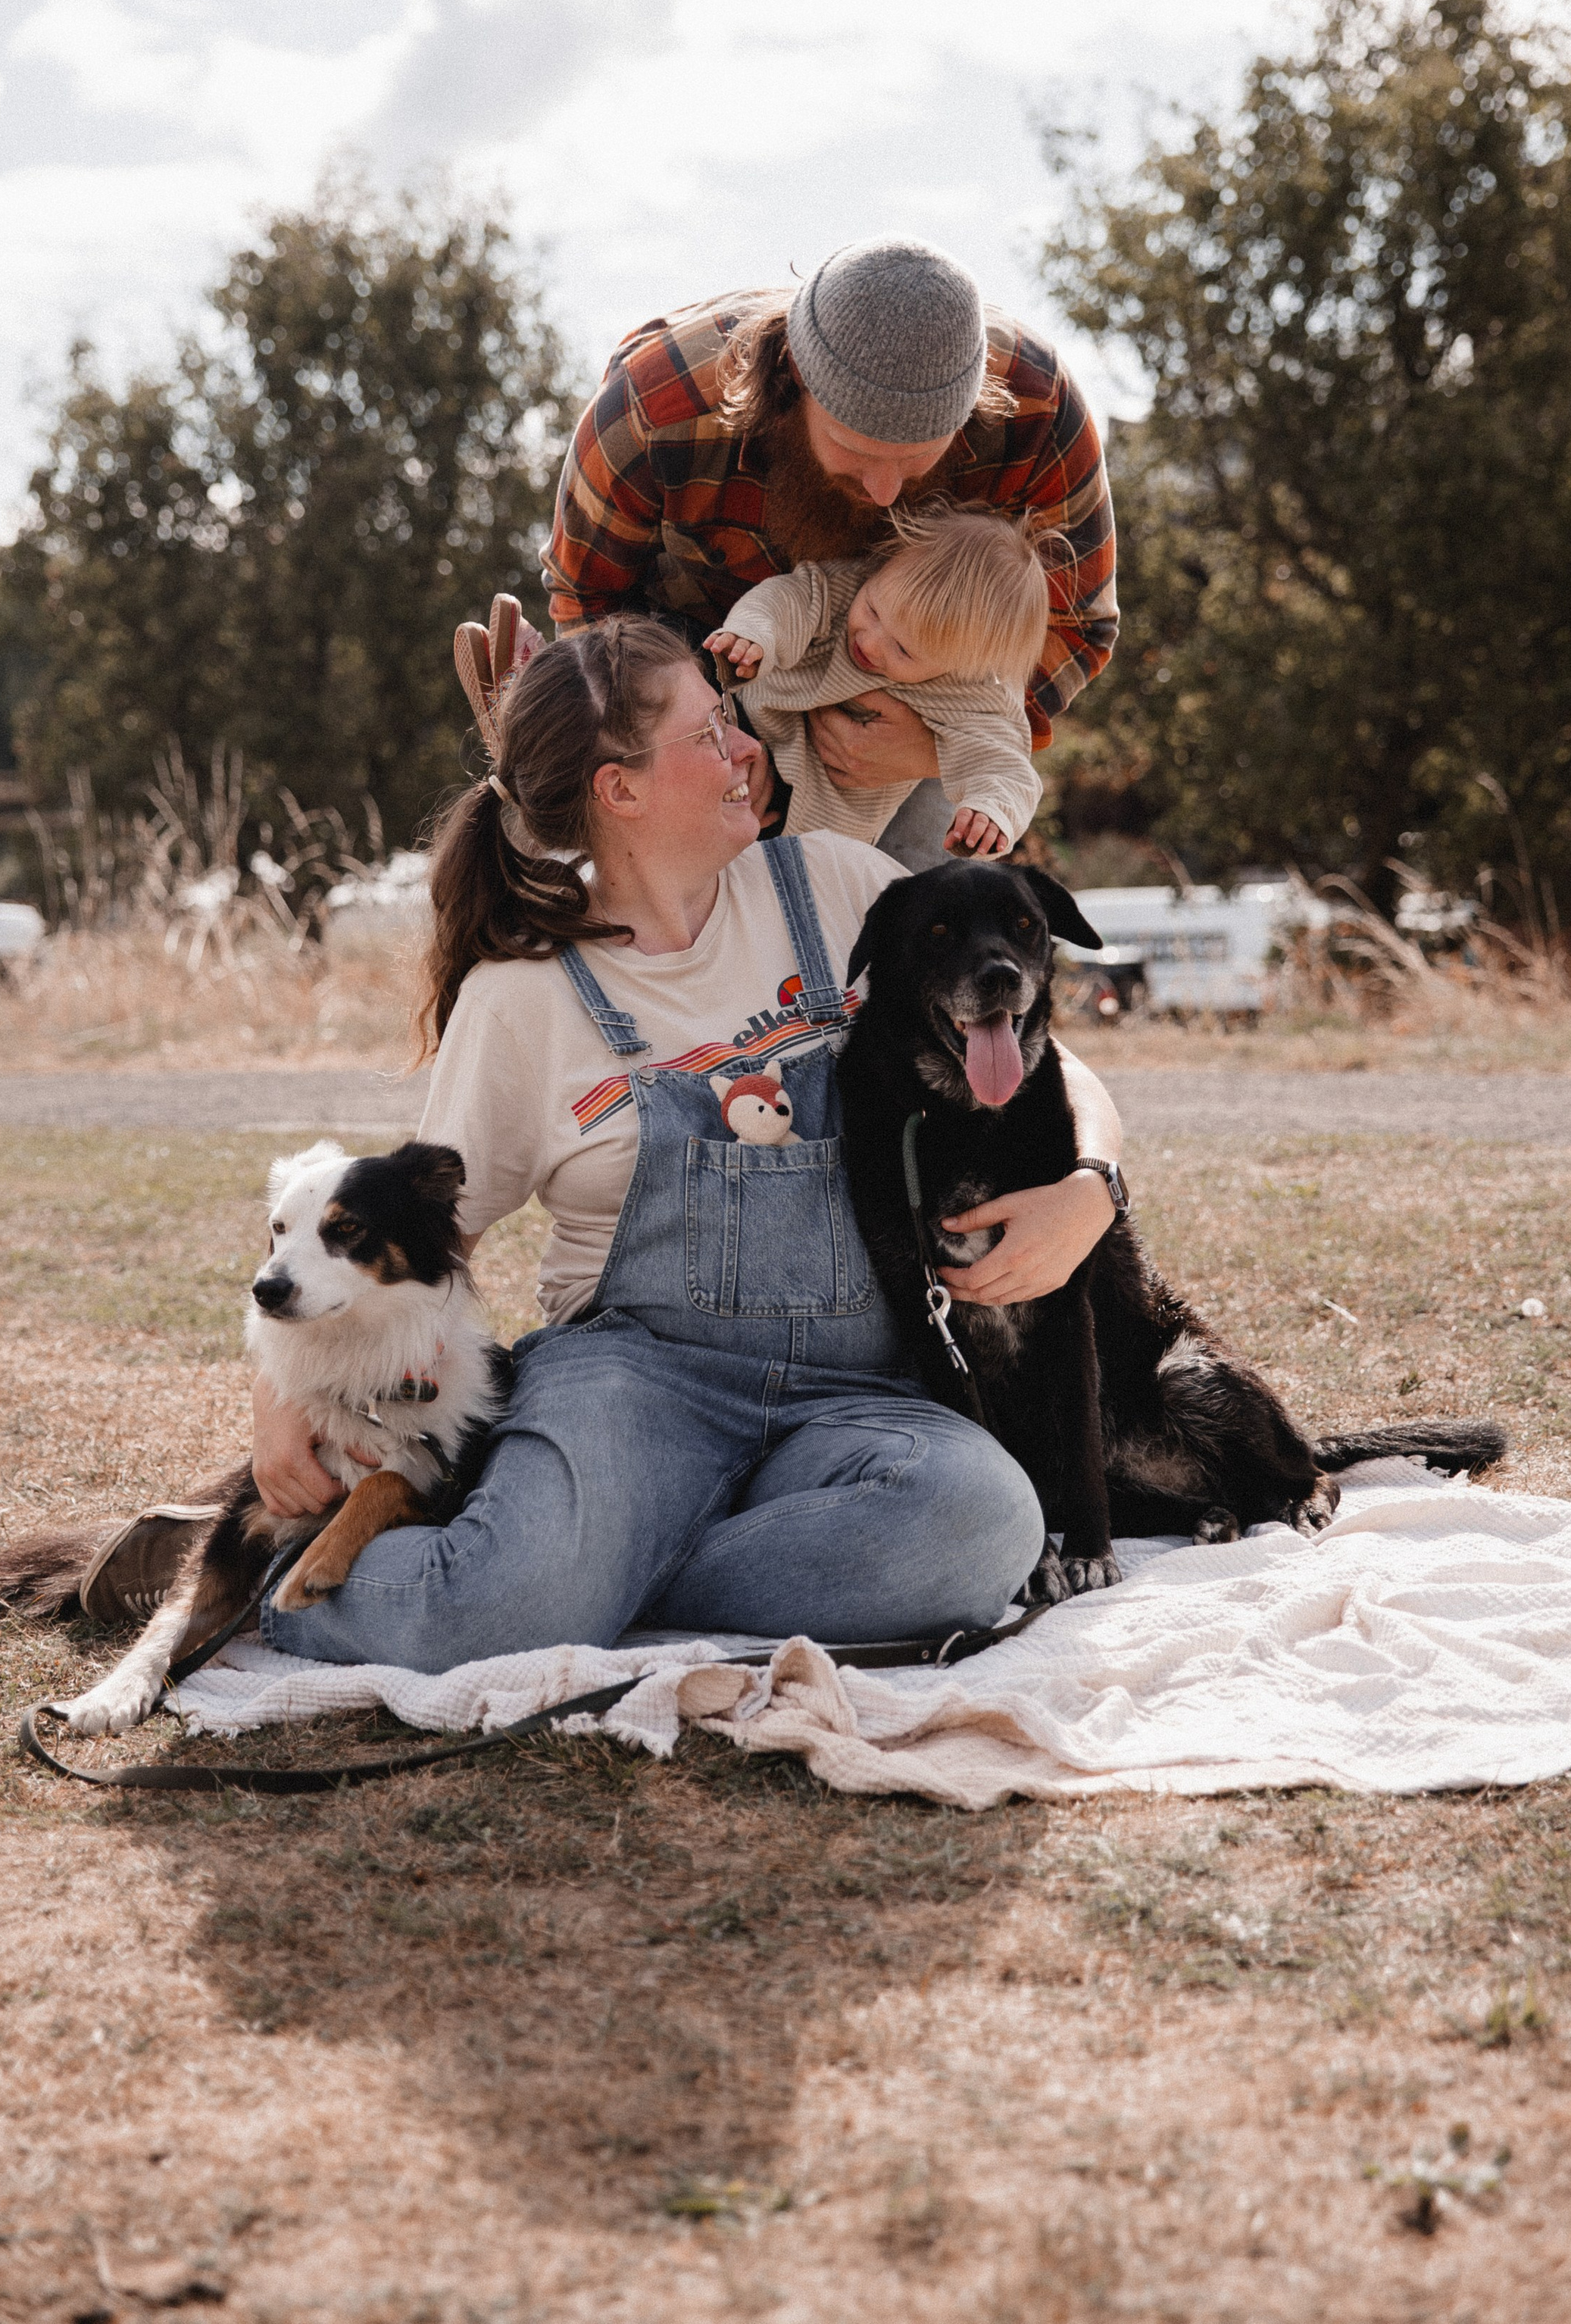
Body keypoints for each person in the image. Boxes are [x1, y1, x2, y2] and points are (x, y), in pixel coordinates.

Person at [248, 615, 1132, 1667]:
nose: (749, 750)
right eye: (712, 733)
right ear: (620, 790)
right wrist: (278, 1402)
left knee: (982, 1526)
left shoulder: (839, 886)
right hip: (634, 1388)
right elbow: (410, 1230)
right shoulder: (524, 997)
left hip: (856, 1391)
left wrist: (1092, 1185)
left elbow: (1037, 1057)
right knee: (485, 1610)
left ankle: (604, 1572)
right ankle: (286, 1571)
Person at [542, 236, 1117, 867]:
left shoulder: (1041, 409)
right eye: (859, 451)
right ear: (791, 380)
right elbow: (587, 600)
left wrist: (930, 746)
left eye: (920, 460)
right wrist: (704, 749)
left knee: (906, 913)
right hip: (702, 670)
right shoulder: (654, 410)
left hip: (920, 703)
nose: (885, 491)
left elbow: (1078, 626)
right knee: (620, 882)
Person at [706, 499, 1048, 857]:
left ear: (961, 665)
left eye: (903, 650)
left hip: (819, 817)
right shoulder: (845, 587)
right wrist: (753, 636)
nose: (869, 642)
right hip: (752, 724)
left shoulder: (970, 694)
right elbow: (788, 601)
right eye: (872, 609)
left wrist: (989, 813)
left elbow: (1004, 764)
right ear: (885, 562)